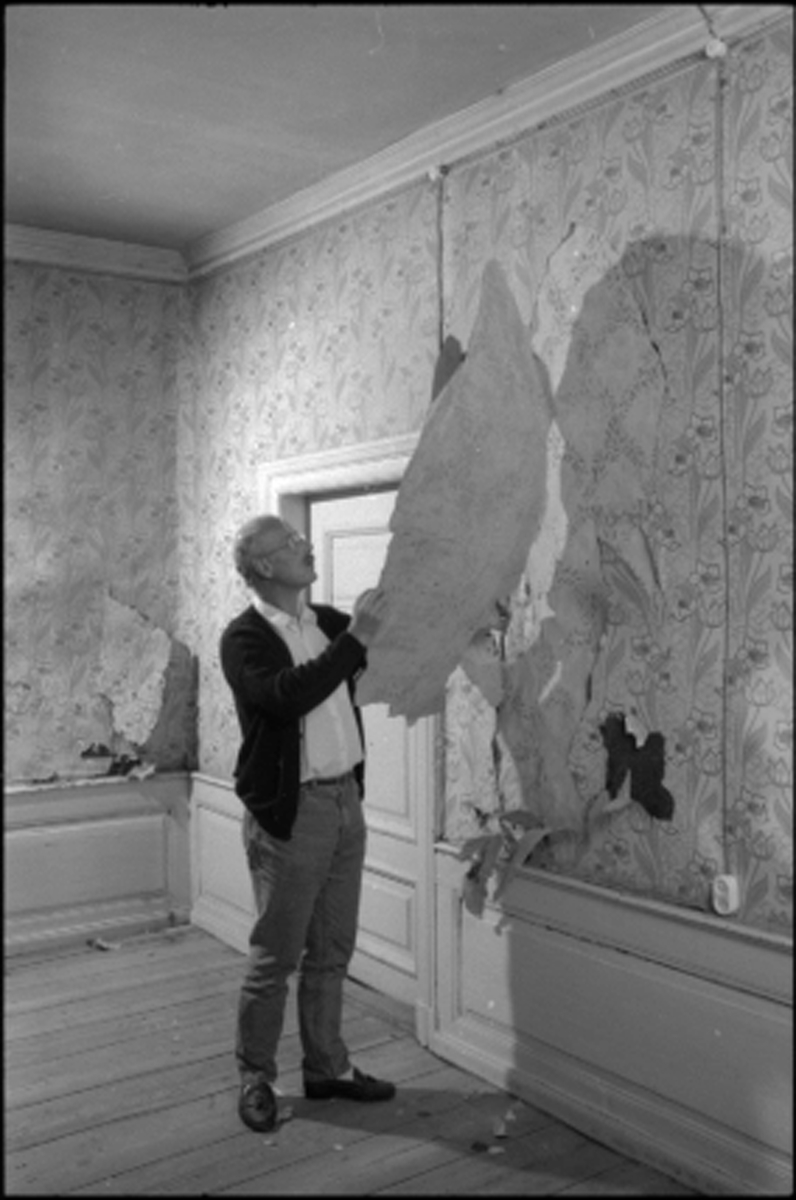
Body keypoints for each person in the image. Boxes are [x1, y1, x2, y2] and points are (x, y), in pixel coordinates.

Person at [219, 514, 396, 1133]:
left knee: (331, 950)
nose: (305, 546)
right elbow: (287, 695)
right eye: (290, 543)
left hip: (345, 802)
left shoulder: (324, 623)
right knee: (276, 956)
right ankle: (256, 1076)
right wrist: (356, 640)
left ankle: (327, 1067)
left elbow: (389, 643)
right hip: (292, 812)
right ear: (264, 566)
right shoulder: (244, 638)